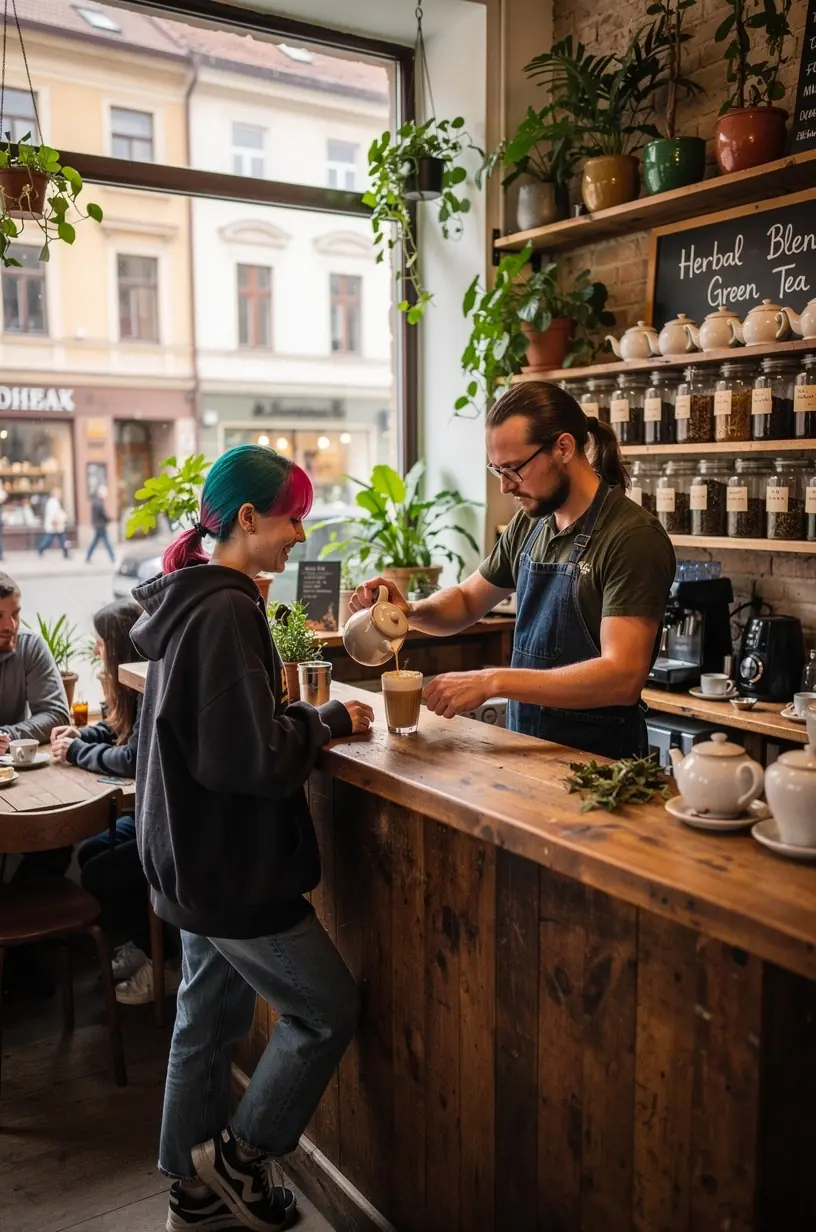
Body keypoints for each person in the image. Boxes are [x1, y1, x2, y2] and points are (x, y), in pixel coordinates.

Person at [130, 444, 373, 1232]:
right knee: (326, 1010)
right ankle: (241, 1157)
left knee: (205, 1021)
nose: (300, 534)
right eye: (292, 518)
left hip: (188, 857)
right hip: (229, 864)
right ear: (246, 518)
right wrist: (324, 720)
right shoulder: (227, 609)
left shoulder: (192, 598)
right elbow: (249, 758)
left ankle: (193, 1195)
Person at [350, 382, 676, 760]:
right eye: (497, 470)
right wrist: (408, 612)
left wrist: (492, 681)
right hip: (527, 748)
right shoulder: (531, 523)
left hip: (600, 764)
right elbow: (467, 601)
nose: (505, 486)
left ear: (564, 448)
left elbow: (622, 677)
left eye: (514, 469)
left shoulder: (632, 538)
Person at [50, 598, 176, 1001]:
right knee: (91, 851)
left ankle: (164, 962)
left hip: (170, 822)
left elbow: (132, 758)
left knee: (100, 871)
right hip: (151, 815)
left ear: (118, 645)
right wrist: (81, 735)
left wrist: (76, 752)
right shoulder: (129, 687)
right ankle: (143, 944)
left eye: (102, 642)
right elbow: (117, 729)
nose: (96, 649)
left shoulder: (149, 683)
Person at [0, 572, 70, 750]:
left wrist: (6, 736)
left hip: (13, 761)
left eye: (15, 614)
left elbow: (56, 717)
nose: (10, 626)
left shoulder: (30, 646)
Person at [86, 484, 116, 563]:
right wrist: (110, 519)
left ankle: (88, 557)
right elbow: (103, 514)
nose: (105, 496)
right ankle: (113, 557)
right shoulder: (99, 503)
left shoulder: (95, 502)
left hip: (98, 525)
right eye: (104, 494)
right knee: (107, 542)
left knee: (95, 542)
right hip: (101, 526)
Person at [38, 487, 69, 558]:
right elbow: (53, 514)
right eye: (59, 494)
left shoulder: (54, 502)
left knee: (62, 539)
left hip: (56, 525)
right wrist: (55, 522)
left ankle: (66, 552)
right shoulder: (53, 503)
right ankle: (41, 548)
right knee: (49, 539)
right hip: (55, 525)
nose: (60, 495)